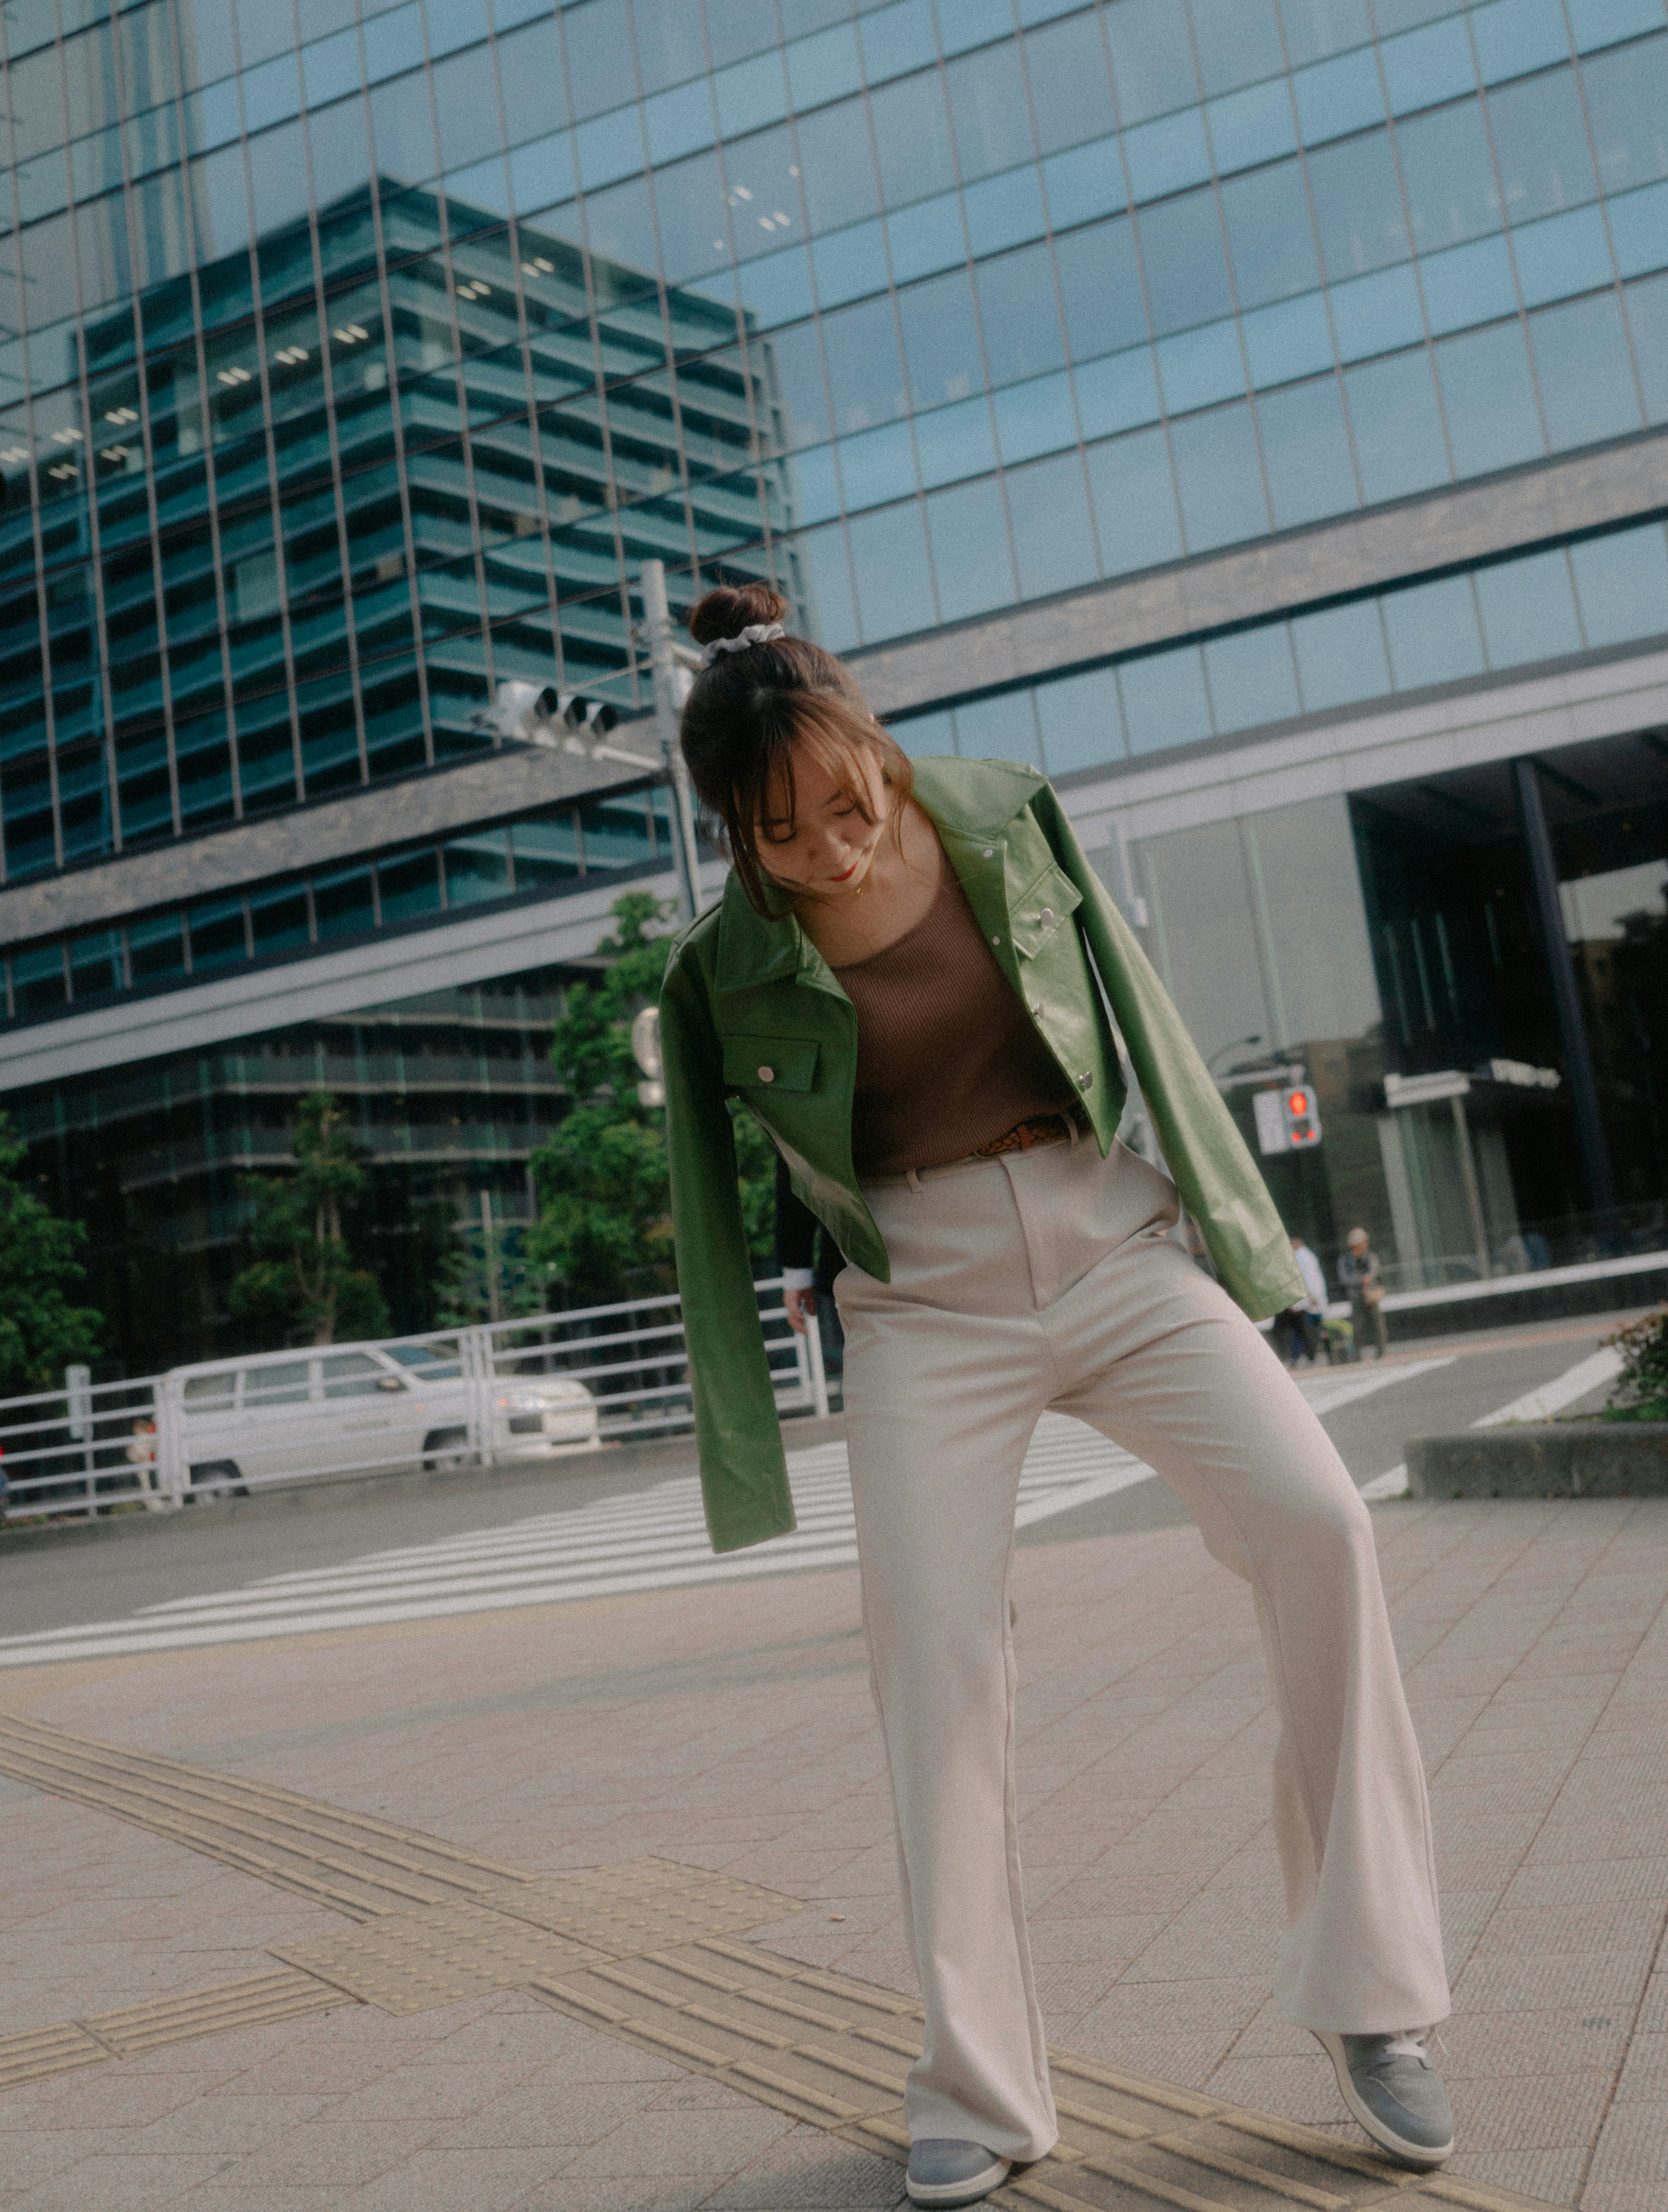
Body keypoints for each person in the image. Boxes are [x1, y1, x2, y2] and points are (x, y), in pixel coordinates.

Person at [660, 585, 1451, 2208]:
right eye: (781, 826)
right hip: (919, 1298)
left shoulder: (1008, 815)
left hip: (1107, 1228)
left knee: (1319, 1524)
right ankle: (977, 2079)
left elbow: (1145, 1017)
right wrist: (744, 1430)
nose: (829, 839)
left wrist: (1244, 1236)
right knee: (934, 1664)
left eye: (846, 792)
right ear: (734, 830)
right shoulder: (719, 969)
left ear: (873, 735)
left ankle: (1377, 2000)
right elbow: (713, 1197)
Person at [1340, 1227, 1388, 1357]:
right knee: (1357, 1326)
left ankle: (1381, 1352)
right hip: (1355, 1296)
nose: (1366, 1244)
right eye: (1363, 1242)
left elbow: (1374, 1270)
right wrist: (1361, 1280)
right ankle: (1357, 1355)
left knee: (1377, 1324)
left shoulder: (1371, 1257)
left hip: (1370, 1296)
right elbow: (1345, 1278)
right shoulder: (1345, 1260)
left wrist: (1369, 1278)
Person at [1286, 1234, 1329, 1365]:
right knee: (1318, 1331)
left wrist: (1310, 1298)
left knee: (1304, 1332)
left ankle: (1298, 1358)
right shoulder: (1310, 1256)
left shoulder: (1301, 1257)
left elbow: (1308, 1279)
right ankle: (1327, 1355)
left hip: (1309, 1302)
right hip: (1315, 1300)